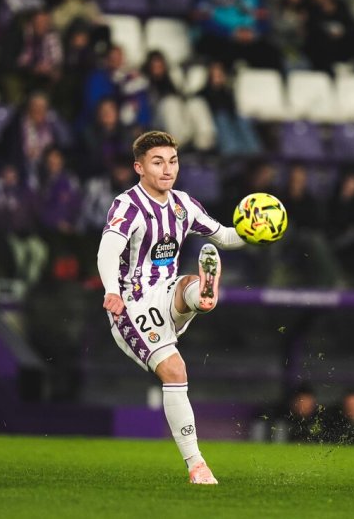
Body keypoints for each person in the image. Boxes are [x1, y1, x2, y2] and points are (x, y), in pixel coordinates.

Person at [98, 131, 253, 484]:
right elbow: (107, 250)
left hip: (167, 290)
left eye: (172, 161)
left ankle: (203, 294)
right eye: (158, 162)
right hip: (132, 305)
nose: (167, 169)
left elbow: (225, 236)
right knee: (175, 371)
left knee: (186, 283)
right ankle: (197, 465)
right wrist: (111, 290)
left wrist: (254, 230)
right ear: (139, 167)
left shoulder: (184, 205)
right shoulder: (128, 206)